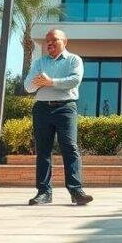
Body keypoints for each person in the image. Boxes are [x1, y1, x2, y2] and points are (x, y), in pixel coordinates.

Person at [23, 29, 93, 206]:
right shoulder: (39, 62)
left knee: (70, 147)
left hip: (65, 108)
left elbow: (74, 80)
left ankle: (76, 191)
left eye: (54, 40)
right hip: (41, 109)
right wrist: (40, 82)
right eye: (47, 41)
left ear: (65, 41)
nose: (50, 44)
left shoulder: (73, 60)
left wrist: (50, 82)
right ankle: (44, 192)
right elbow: (28, 87)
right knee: (43, 151)